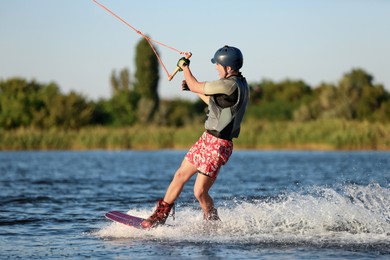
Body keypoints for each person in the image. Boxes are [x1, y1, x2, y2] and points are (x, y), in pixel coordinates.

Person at [141, 45, 250, 228]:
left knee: (199, 191)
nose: (216, 67)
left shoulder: (230, 84)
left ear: (228, 68)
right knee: (180, 175)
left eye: (218, 65)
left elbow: (194, 83)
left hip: (218, 145)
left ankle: (213, 223)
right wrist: (193, 90)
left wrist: (185, 66)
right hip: (207, 139)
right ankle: (160, 216)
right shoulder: (234, 84)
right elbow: (212, 102)